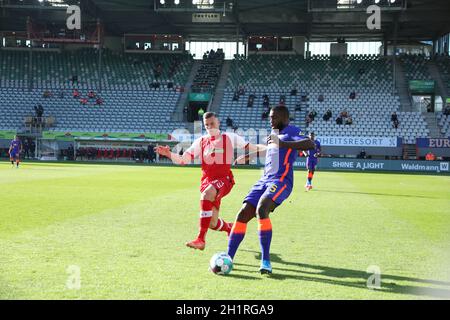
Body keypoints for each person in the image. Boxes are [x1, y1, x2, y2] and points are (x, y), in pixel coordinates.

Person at [154, 112, 266, 251]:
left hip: (224, 180)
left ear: (218, 122)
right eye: (206, 125)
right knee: (212, 223)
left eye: (212, 124)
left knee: (206, 195)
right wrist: (169, 154)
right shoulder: (200, 141)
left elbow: (254, 148)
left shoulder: (230, 137)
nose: (209, 127)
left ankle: (201, 239)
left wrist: (270, 147)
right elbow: (183, 160)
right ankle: (229, 227)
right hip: (207, 181)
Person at [226, 106, 315, 274]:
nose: (270, 120)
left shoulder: (292, 130)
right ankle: (229, 257)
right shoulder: (274, 135)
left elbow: (309, 144)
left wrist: (283, 143)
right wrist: (250, 156)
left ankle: (265, 260)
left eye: (274, 117)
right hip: (264, 180)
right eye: (270, 117)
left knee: (262, 208)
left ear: (284, 118)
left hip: (281, 181)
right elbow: (272, 150)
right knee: (243, 214)